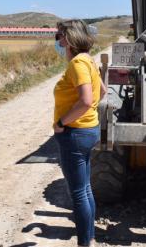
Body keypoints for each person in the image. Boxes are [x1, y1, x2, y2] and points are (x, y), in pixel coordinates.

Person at [52, 19, 106, 247]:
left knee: (78, 193)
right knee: (85, 189)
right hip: (88, 130)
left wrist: (62, 122)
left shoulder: (77, 64)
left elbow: (86, 100)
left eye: (59, 36)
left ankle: (86, 243)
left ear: (69, 39)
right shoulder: (88, 61)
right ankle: (90, 238)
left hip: (74, 134)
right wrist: (87, 112)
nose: (58, 41)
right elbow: (101, 92)